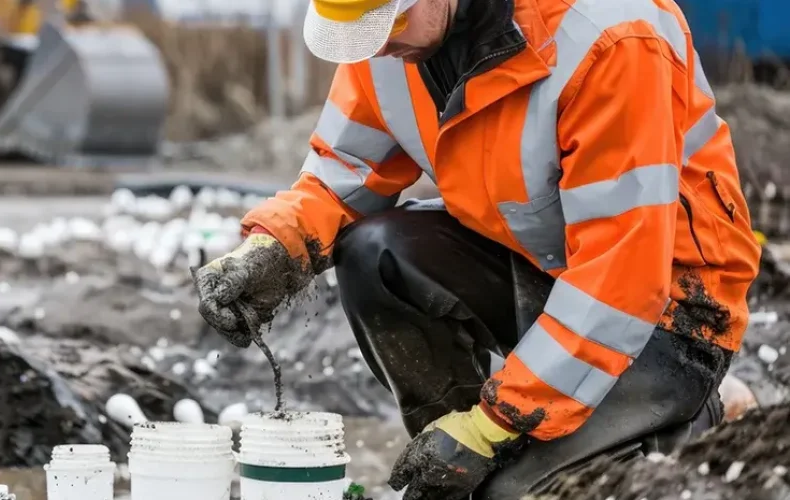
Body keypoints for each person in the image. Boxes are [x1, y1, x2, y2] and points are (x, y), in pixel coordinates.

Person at [193, 0, 760, 498]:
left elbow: (620, 279)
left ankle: (692, 408)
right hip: (544, 263)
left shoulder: (610, 38)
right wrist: (274, 246)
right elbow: (347, 166)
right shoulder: (391, 38)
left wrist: (495, 424)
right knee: (374, 252)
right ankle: (455, 457)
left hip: (669, 306)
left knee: (511, 492)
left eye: (389, 19)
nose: (381, 44)